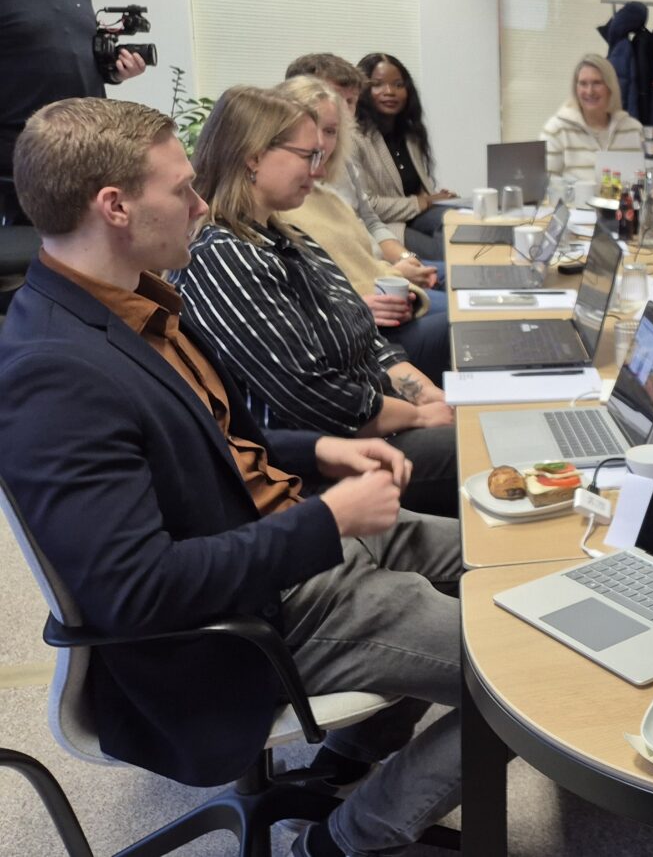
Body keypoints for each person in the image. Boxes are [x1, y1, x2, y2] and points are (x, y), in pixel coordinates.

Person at [0, 97, 461, 857]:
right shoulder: (54, 372)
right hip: (262, 611)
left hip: (286, 539)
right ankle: (347, 839)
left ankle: (344, 762)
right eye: (181, 189)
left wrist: (317, 454)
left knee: (503, 569)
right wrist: (331, 518)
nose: (201, 203)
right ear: (115, 205)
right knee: (514, 675)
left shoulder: (133, 300)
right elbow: (137, 589)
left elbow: (202, 444)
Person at [170, 86, 457, 518]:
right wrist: (416, 416)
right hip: (317, 460)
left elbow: (369, 341)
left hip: (366, 424)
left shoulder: (286, 236)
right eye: (308, 156)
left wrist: (429, 396)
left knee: (473, 423)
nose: (318, 170)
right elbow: (308, 396)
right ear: (252, 157)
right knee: (481, 444)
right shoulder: (222, 256)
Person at [275, 74, 451, 382]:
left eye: (330, 131)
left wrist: (406, 290)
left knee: (473, 311)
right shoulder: (279, 208)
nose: (320, 142)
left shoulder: (326, 195)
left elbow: (367, 258)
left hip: (383, 316)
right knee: (469, 322)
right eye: (312, 128)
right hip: (360, 336)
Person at [0, 0, 148, 223]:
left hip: (87, 144)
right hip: (23, 154)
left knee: (92, 236)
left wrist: (116, 72)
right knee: (38, 251)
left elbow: (80, 60)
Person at [283, 52, 439, 297]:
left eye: (350, 101)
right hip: (368, 280)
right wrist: (393, 272)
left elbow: (369, 219)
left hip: (379, 266)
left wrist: (406, 259)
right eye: (332, 99)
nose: (343, 111)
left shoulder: (344, 160)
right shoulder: (289, 185)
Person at [348, 53, 456, 258]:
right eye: (378, 85)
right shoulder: (354, 137)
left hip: (416, 216)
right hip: (386, 226)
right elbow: (367, 205)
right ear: (362, 91)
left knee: (463, 225)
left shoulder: (410, 133)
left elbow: (415, 190)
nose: (390, 92)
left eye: (398, 84)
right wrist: (423, 202)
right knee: (447, 253)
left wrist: (437, 198)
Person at [543, 52, 645, 189]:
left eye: (597, 83)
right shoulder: (557, 130)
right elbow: (545, 186)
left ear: (610, 87)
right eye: (583, 84)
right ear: (575, 89)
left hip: (624, 210)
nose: (589, 91)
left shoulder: (633, 130)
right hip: (575, 209)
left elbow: (644, 183)